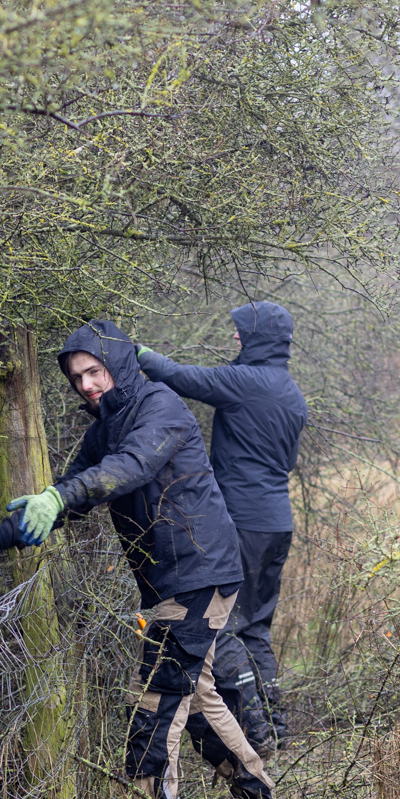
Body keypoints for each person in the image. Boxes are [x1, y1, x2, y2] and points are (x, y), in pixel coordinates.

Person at [0, 318, 282, 799]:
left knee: (157, 699)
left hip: (199, 573)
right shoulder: (104, 428)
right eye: (77, 377)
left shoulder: (161, 407)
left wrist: (60, 494)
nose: (85, 385)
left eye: (94, 371)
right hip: (170, 581)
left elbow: (131, 467)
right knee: (194, 700)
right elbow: (70, 496)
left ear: (120, 365)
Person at [136, 302, 307, 747]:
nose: (234, 338)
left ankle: (254, 729)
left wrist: (132, 351)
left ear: (259, 338)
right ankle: (276, 727)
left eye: (240, 332)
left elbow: (181, 377)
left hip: (242, 521)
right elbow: (287, 462)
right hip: (277, 524)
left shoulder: (248, 382)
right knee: (257, 626)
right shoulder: (291, 394)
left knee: (225, 622)